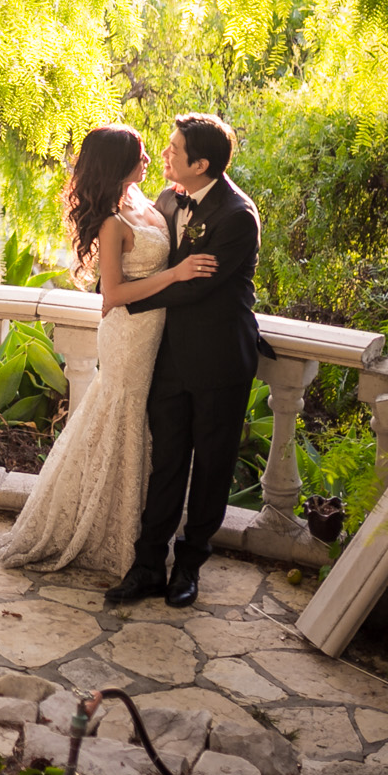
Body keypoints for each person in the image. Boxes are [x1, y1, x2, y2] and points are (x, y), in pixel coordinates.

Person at [0, 125, 216, 578]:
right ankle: (98, 528)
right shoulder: (114, 221)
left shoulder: (146, 201)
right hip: (128, 334)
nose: (150, 159)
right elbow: (112, 292)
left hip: (155, 332)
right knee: (120, 417)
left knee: (135, 421)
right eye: (141, 154)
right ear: (118, 162)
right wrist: (178, 274)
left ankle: (126, 522)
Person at [103, 112, 271, 610]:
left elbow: (197, 285)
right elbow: (157, 262)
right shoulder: (166, 198)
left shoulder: (237, 216)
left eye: (175, 149)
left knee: (212, 468)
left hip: (221, 359)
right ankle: (147, 566)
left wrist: (125, 297)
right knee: (167, 463)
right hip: (170, 358)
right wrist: (119, 287)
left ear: (201, 164)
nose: (166, 154)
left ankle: (189, 566)